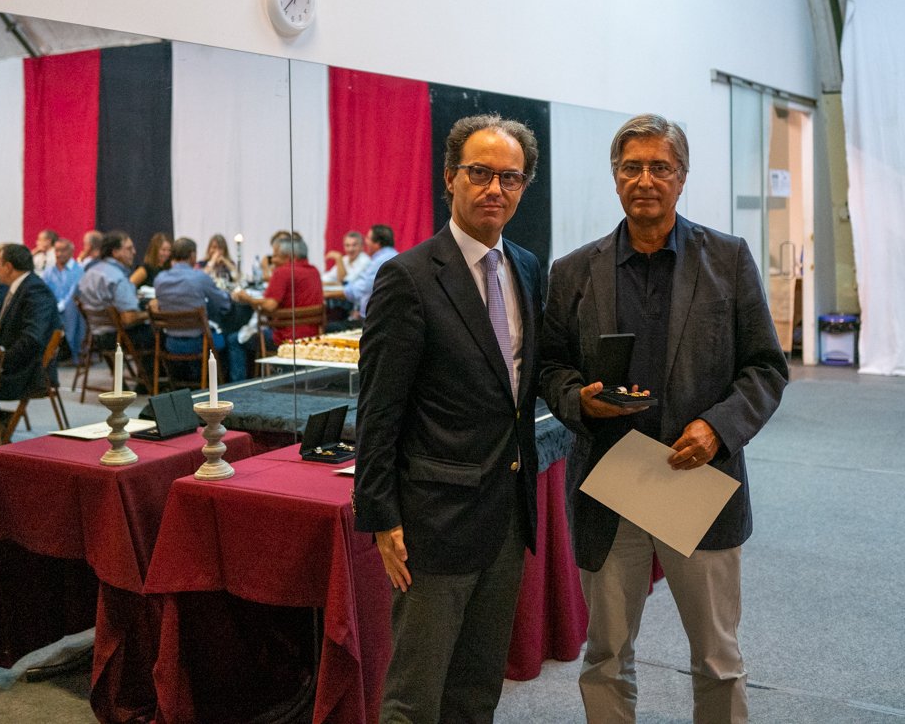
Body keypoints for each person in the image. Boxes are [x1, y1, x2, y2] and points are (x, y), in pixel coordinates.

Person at [540, 113, 789, 723]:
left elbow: (765, 367)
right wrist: (578, 400)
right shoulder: (573, 271)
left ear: (682, 177)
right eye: (631, 167)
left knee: (717, 659)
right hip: (610, 482)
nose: (645, 180)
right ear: (615, 177)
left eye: (660, 167)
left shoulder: (727, 259)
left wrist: (719, 428)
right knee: (605, 657)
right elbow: (548, 366)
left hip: (696, 481)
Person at [354, 114, 544, 723]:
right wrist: (382, 517)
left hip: (507, 517)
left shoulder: (527, 268)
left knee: (476, 691)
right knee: (414, 698)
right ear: (449, 178)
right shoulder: (408, 277)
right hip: (433, 523)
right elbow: (378, 410)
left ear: (523, 187)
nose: (494, 188)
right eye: (480, 173)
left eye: (510, 177)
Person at [155, 236, 248, 382]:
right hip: (199, 343)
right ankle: (226, 381)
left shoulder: (159, 279)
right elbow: (224, 303)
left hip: (170, 343)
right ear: (192, 255)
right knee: (229, 335)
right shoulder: (199, 278)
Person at [0, 244, 62, 400]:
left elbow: (32, 339)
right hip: (17, 366)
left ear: (8, 267)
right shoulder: (22, 286)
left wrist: (1, 363)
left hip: (26, 373)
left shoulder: (35, 290)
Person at [232, 236, 323, 347]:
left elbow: (270, 306)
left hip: (286, 338)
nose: (273, 260)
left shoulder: (282, 272)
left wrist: (248, 299)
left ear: (290, 257)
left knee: (234, 340)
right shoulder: (314, 271)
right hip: (313, 337)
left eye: (275, 256)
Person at [75, 230, 152, 353]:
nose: (134, 252)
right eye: (129, 248)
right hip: (118, 338)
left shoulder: (89, 273)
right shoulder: (117, 278)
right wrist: (151, 313)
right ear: (115, 252)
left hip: (97, 336)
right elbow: (129, 318)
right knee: (161, 335)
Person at [42, 237, 85, 361]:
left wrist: (61, 306)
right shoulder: (49, 271)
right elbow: (44, 291)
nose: (59, 254)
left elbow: (74, 292)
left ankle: (75, 352)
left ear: (71, 252)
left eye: (63, 250)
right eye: (57, 250)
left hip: (72, 308)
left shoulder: (78, 270)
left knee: (71, 307)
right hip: (52, 308)